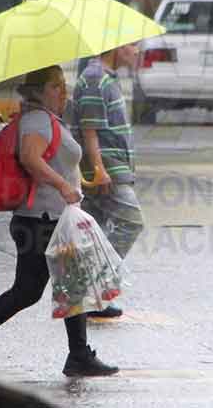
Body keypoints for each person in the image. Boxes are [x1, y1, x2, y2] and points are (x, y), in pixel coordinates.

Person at [0, 66, 119, 377]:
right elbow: (30, 159)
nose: (63, 92)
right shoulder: (37, 119)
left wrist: (76, 181)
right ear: (38, 91)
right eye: (55, 86)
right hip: (42, 221)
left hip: (45, 218)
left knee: (52, 287)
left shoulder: (45, 118)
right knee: (47, 287)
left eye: (64, 86)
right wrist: (63, 186)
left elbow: (51, 160)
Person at [72, 43, 146, 318]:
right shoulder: (94, 78)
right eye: (132, 44)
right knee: (131, 221)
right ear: (115, 47)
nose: (137, 50)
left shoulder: (107, 78)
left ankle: (90, 294)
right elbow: (89, 130)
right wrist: (99, 168)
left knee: (95, 231)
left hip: (111, 165)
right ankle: (97, 285)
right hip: (108, 167)